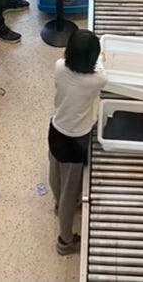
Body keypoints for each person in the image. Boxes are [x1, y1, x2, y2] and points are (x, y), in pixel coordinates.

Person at [48, 29, 107, 256]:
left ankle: (57, 203)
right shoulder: (97, 79)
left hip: (56, 129)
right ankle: (65, 241)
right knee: (70, 194)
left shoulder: (59, 67)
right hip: (77, 139)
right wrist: (101, 58)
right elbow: (101, 69)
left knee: (55, 169)